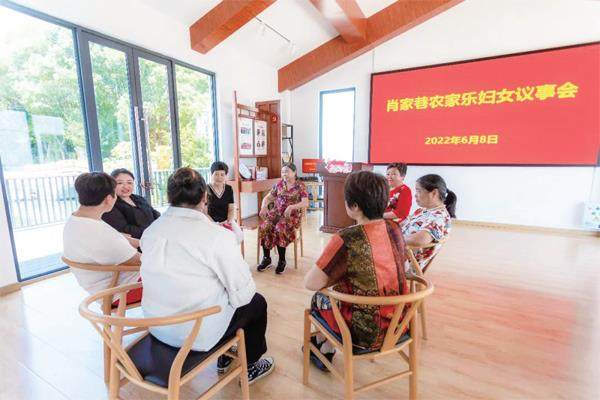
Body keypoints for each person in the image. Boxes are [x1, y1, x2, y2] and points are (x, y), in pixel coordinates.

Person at [140, 167, 274, 384]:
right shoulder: (217, 237)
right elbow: (244, 292)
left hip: (157, 325)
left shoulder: (151, 231)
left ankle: (225, 357)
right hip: (195, 334)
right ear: (204, 197)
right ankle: (251, 364)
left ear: (169, 196)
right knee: (256, 303)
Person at [303, 170, 409, 371]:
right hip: (399, 323)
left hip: (364, 335)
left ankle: (326, 347)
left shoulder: (347, 238)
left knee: (319, 297)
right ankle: (324, 345)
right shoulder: (394, 228)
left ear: (354, 206)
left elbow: (311, 283)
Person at [63, 172, 142, 302]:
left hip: (96, 286)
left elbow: (116, 239)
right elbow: (143, 261)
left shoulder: (76, 220)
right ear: (108, 199)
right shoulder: (103, 234)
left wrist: (141, 242)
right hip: (121, 291)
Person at [257, 163, 309, 274]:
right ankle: (267, 258)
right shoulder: (279, 184)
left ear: (294, 172)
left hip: (292, 216)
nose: (284, 174)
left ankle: (282, 260)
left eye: (287, 171)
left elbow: (305, 202)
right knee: (264, 226)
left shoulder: (300, 186)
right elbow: (268, 198)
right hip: (276, 213)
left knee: (280, 228)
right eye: (283, 171)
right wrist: (263, 206)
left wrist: (291, 207)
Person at [402, 174, 456, 271]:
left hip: (405, 263)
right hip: (398, 253)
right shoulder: (423, 211)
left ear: (434, 193)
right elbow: (403, 225)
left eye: (418, 190)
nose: (415, 194)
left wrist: (392, 238)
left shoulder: (439, 217)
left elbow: (421, 239)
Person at [101, 168, 160, 249]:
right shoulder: (110, 204)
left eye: (129, 182)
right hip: (135, 245)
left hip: (155, 239)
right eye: (120, 183)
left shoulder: (139, 198)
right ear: (112, 185)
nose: (126, 186)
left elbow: (155, 214)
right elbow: (124, 229)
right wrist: (152, 233)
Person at [206, 161, 243, 243]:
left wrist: (228, 222)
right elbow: (205, 212)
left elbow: (231, 209)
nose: (219, 177)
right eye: (216, 174)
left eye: (222, 175)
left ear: (226, 176)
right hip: (211, 222)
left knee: (237, 237)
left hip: (226, 221)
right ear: (211, 174)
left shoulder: (229, 189)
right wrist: (215, 224)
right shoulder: (206, 189)